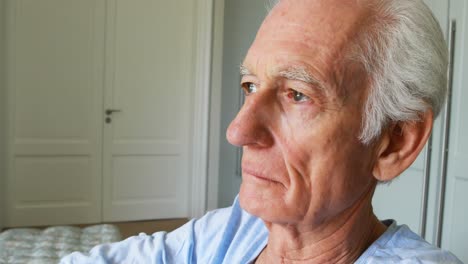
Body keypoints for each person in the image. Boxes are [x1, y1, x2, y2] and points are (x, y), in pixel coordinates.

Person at [61, 0, 462, 263]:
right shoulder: (232, 232)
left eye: (297, 95)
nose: (238, 131)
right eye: (250, 86)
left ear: (395, 142)